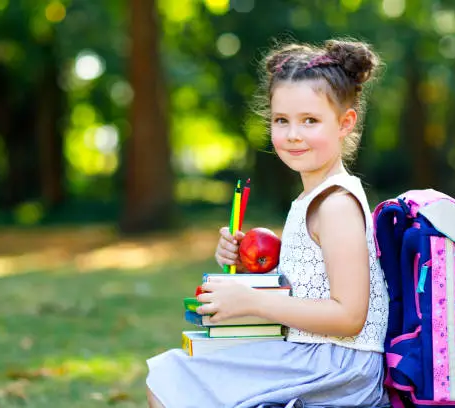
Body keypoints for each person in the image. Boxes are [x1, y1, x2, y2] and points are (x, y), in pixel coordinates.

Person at [146, 39, 390, 408]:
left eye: (310, 120)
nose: (293, 134)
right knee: (185, 370)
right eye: (281, 120)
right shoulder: (312, 199)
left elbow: (349, 316)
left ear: (345, 123)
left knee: (173, 375)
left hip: (338, 367)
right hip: (314, 355)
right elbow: (311, 285)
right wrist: (247, 261)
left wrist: (251, 301)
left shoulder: (337, 205)